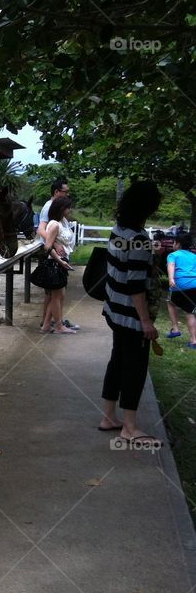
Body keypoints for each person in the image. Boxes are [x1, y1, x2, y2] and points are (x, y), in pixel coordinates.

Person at [99, 180, 163, 446]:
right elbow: (136, 285)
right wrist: (145, 322)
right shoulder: (138, 239)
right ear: (147, 208)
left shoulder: (119, 230)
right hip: (130, 317)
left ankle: (109, 417)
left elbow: (122, 267)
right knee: (134, 369)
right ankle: (129, 428)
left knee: (117, 361)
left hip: (114, 311)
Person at [37, 177, 80, 330]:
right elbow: (41, 229)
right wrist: (54, 243)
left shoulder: (61, 216)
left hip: (60, 256)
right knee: (54, 293)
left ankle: (51, 322)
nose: (67, 194)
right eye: (65, 192)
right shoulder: (49, 207)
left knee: (58, 293)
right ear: (56, 192)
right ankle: (54, 323)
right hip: (54, 257)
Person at [166, 232, 196, 348]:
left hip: (179, 285)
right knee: (190, 311)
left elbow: (171, 266)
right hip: (194, 285)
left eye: (174, 242)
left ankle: (175, 329)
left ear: (178, 244)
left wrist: (171, 278)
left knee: (170, 302)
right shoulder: (194, 256)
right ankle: (193, 341)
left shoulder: (173, 255)